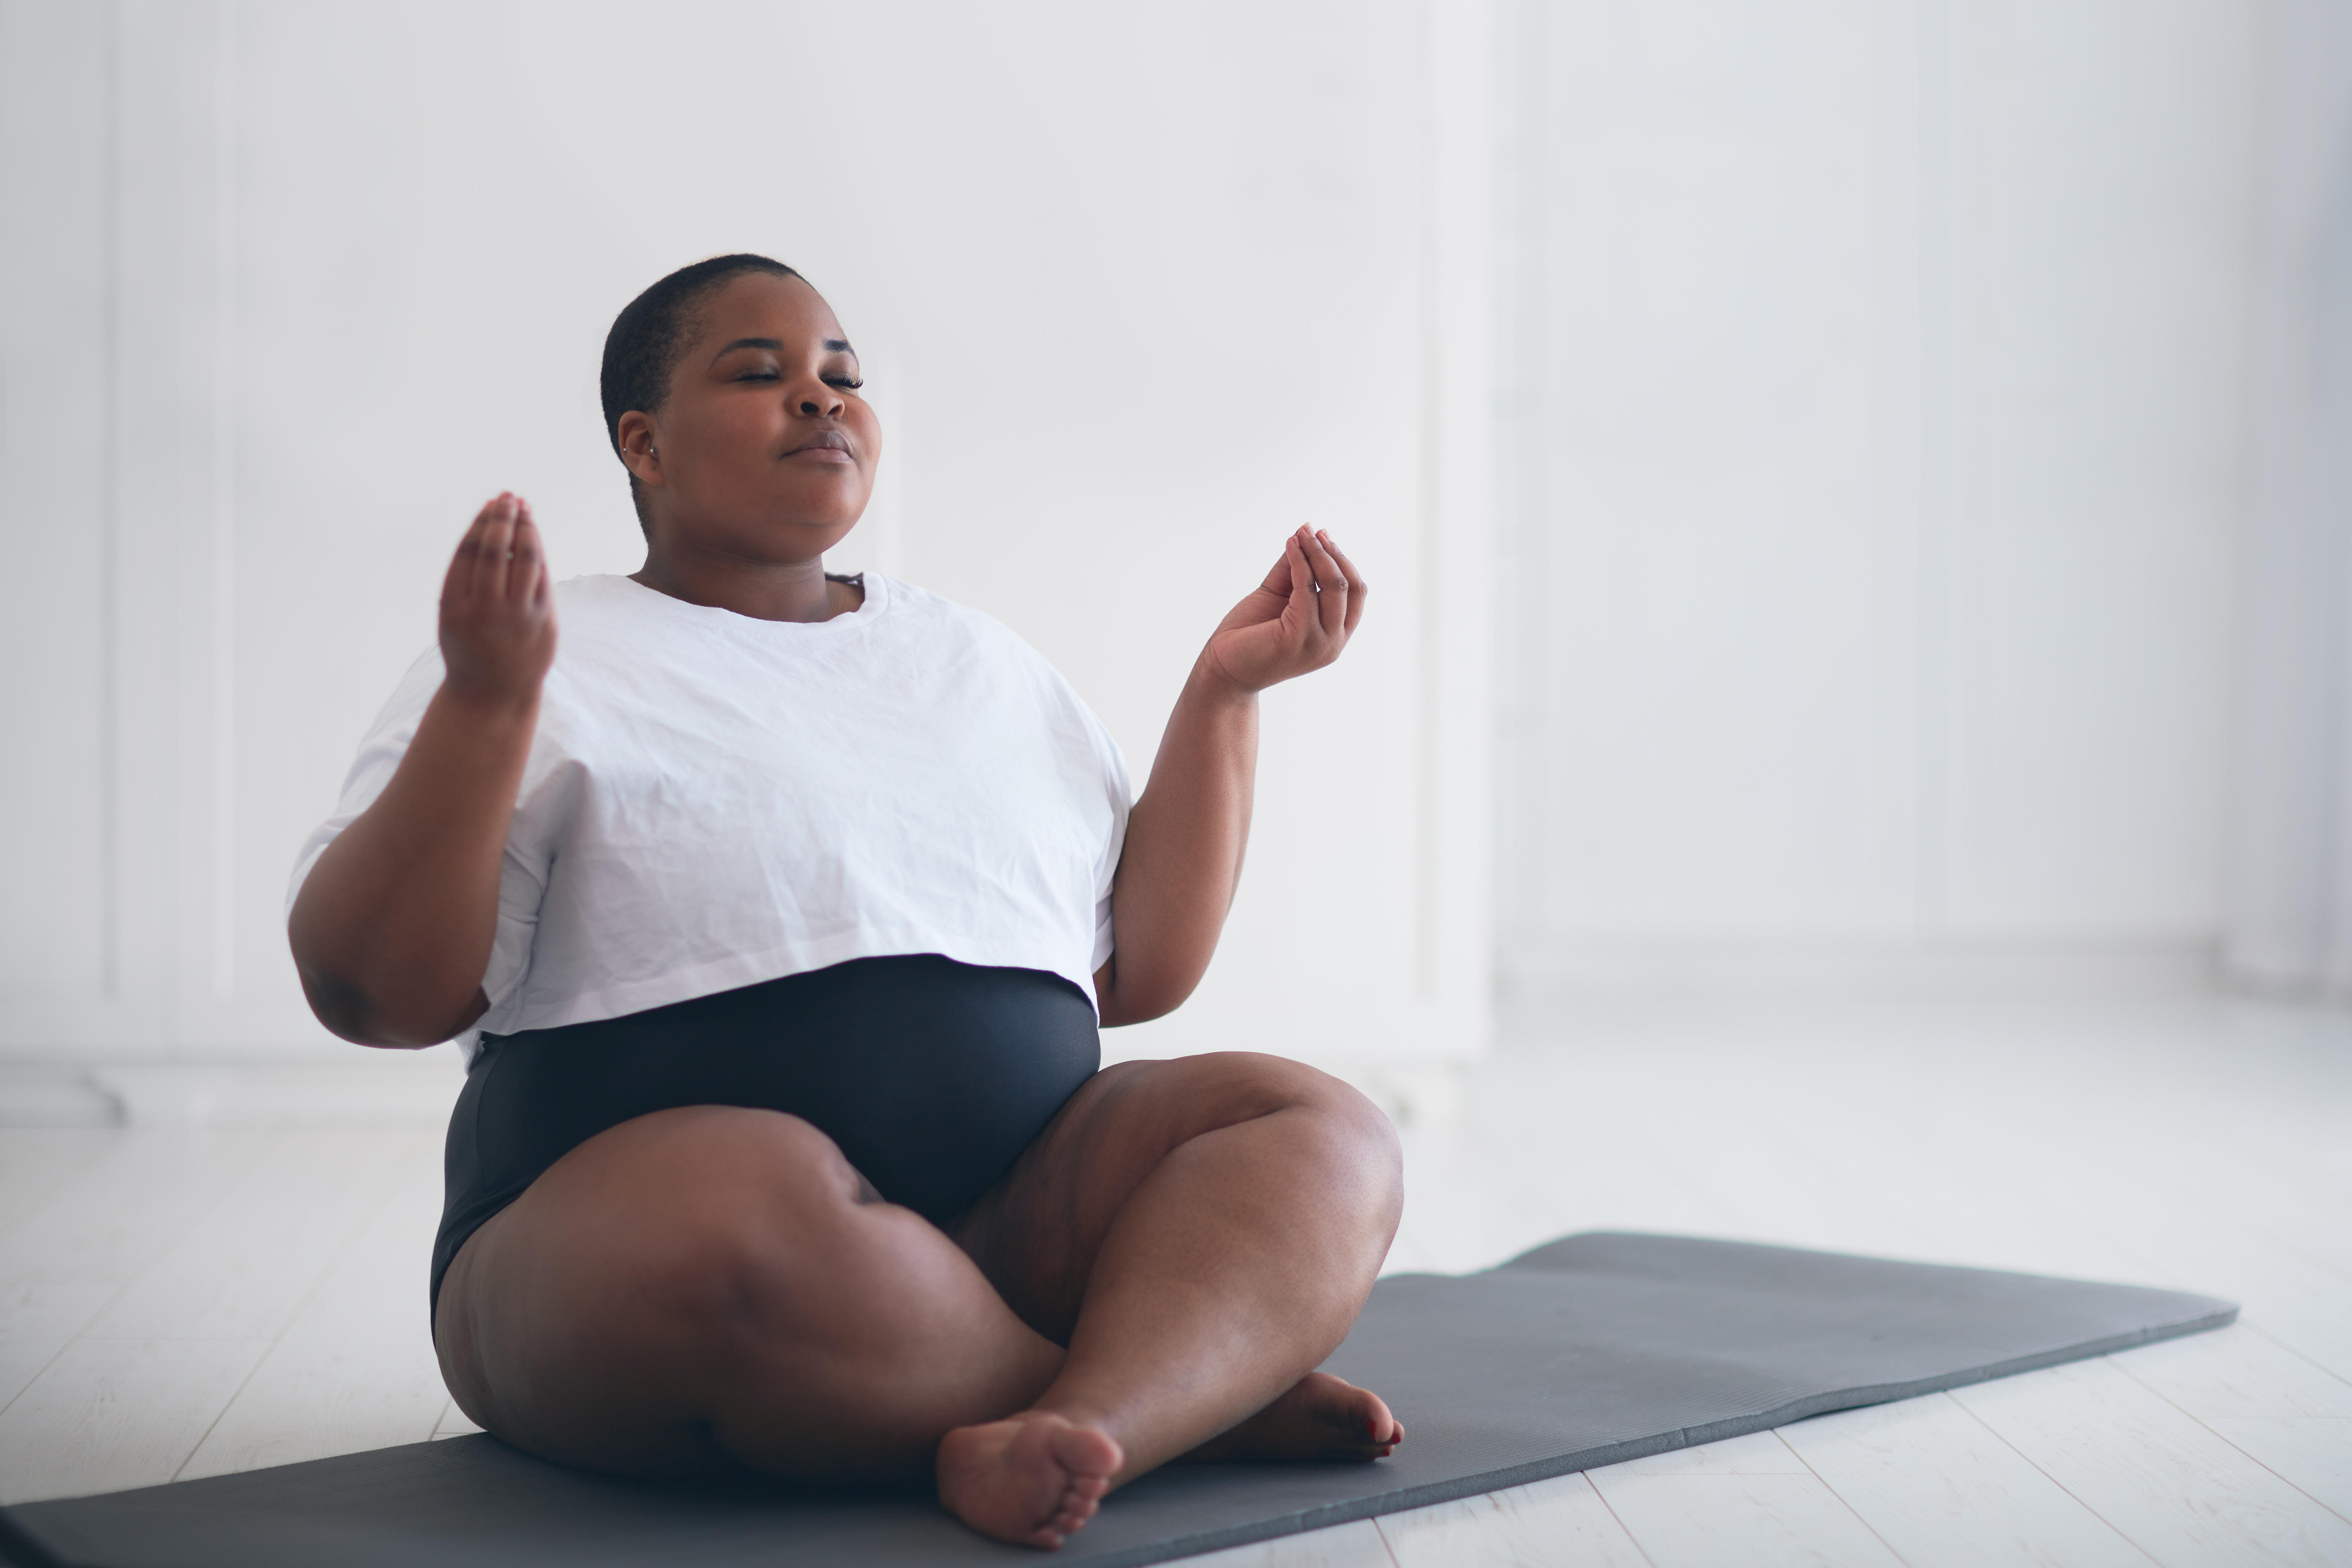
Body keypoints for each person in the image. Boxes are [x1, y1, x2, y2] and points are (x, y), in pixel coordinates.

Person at [286, 254, 1403, 1550]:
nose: (821, 400)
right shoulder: (547, 648)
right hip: (618, 1244)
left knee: (1317, 1130)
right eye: (762, 375)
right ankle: (1177, 1397)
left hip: (1009, 1222)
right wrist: (485, 708)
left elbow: (1136, 969)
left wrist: (1225, 692)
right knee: (741, 1211)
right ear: (641, 443)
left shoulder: (977, 661)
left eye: (843, 377)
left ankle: (1079, 1414)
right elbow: (371, 992)